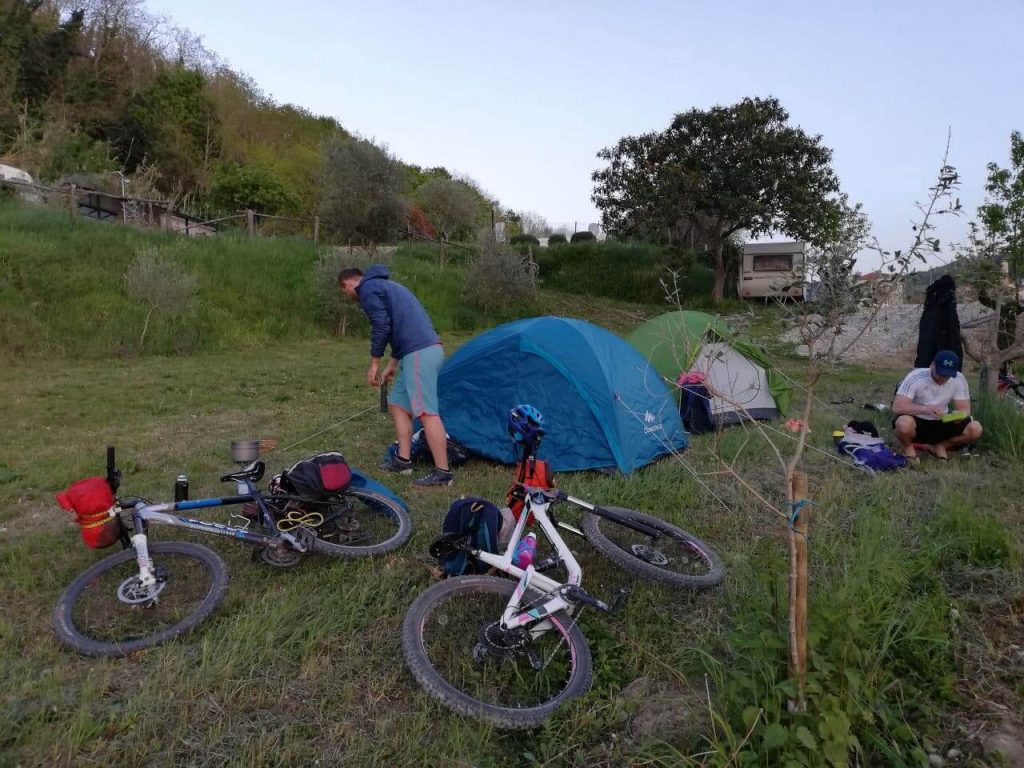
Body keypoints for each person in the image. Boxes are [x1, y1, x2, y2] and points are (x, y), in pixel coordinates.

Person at [338, 265, 453, 487]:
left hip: (420, 353)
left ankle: (443, 473)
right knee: (399, 403)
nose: (347, 295)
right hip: (417, 351)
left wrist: (374, 363)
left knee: (427, 412)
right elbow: (399, 327)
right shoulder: (384, 285)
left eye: (344, 291)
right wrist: (392, 363)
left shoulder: (368, 289)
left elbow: (381, 326)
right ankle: (403, 461)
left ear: (348, 284)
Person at [891, 350, 983, 460]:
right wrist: (925, 409)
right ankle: (908, 448)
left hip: (942, 420)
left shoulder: (959, 379)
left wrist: (957, 415)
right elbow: (897, 407)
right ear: (932, 365)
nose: (943, 379)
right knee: (903, 424)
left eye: (947, 375)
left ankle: (942, 446)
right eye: (940, 373)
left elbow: (965, 409)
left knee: (975, 428)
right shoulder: (915, 377)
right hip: (917, 421)